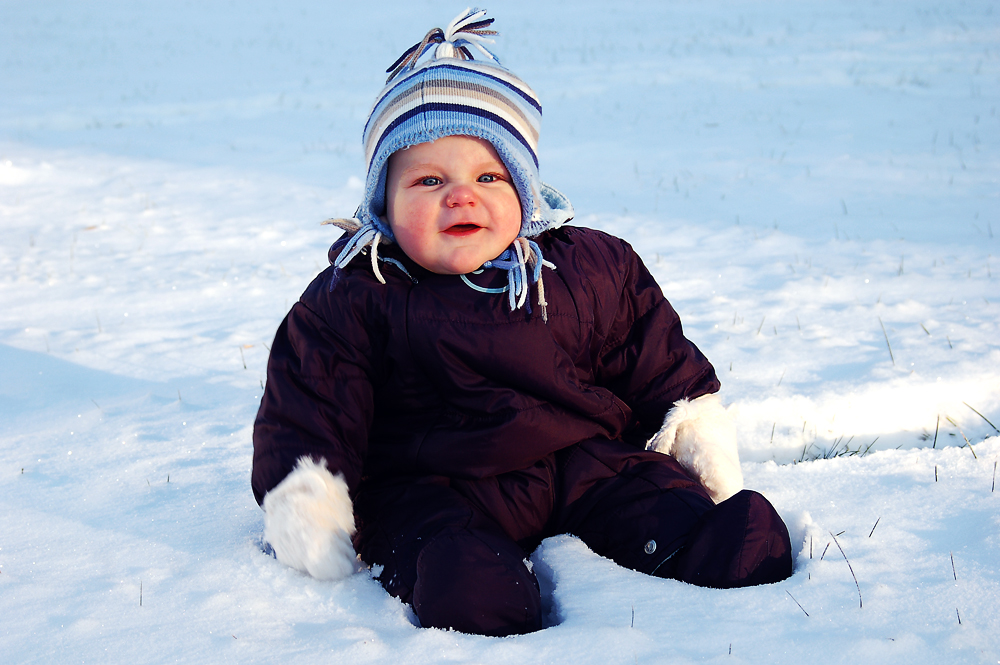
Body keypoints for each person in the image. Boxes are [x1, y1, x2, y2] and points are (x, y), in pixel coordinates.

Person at [251, 8, 792, 637]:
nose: (461, 195)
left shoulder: (583, 267)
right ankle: (471, 581)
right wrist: (307, 493)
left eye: (489, 175)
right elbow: (312, 404)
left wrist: (690, 419)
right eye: (429, 180)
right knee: (445, 552)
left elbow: (651, 352)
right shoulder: (358, 294)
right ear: (383, 203)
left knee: (644, 491)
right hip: (435, 480)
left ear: (526, 192)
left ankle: (702, 541)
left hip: (580, 460)